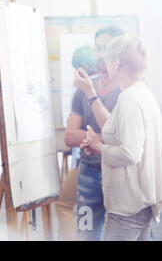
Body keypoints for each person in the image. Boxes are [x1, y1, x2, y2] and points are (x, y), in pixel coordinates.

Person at [82, 36, 162, 241]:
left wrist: (99, 147)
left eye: (107, 59)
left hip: (127, 207)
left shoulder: (129, 99)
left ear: (116, 63)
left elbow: (130, 152)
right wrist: (100, 143)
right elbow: (133, 140)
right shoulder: (143, 94)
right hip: (140, 202)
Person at [55, 26, 123, 241]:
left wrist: (98, 141)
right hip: (87, 173)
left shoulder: (127, 89)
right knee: (86, 233)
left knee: (123, 234)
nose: (102, 54)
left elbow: (125, 138)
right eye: (98, 48)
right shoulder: (84, 88)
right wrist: (98, 141)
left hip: (118, 173)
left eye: (108, 48)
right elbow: (70, 136)